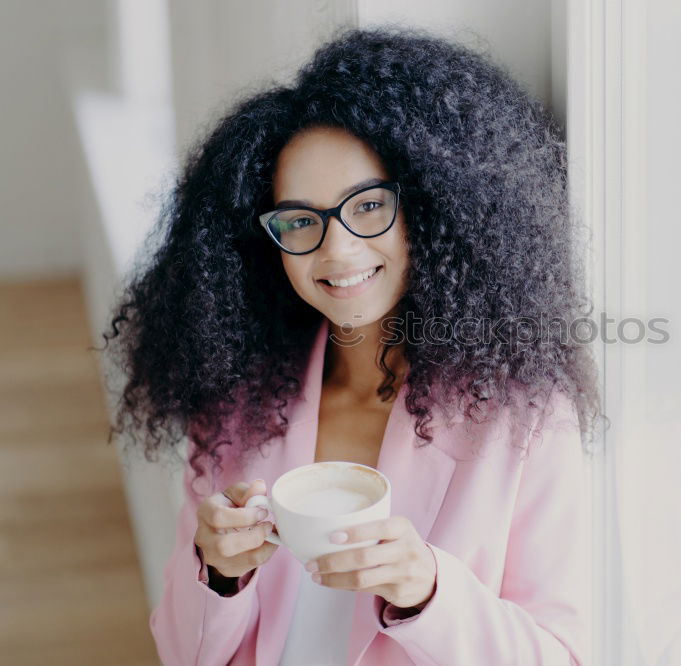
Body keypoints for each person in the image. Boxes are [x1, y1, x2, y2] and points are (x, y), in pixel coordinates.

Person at [100, 25, 601, 666]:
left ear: (434, 207)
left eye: (368, 207)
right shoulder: (236, 404)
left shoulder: (523, 418)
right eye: (301, 220)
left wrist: (429, 592)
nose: (336, 251)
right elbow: (181, 652)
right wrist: (219, 574)